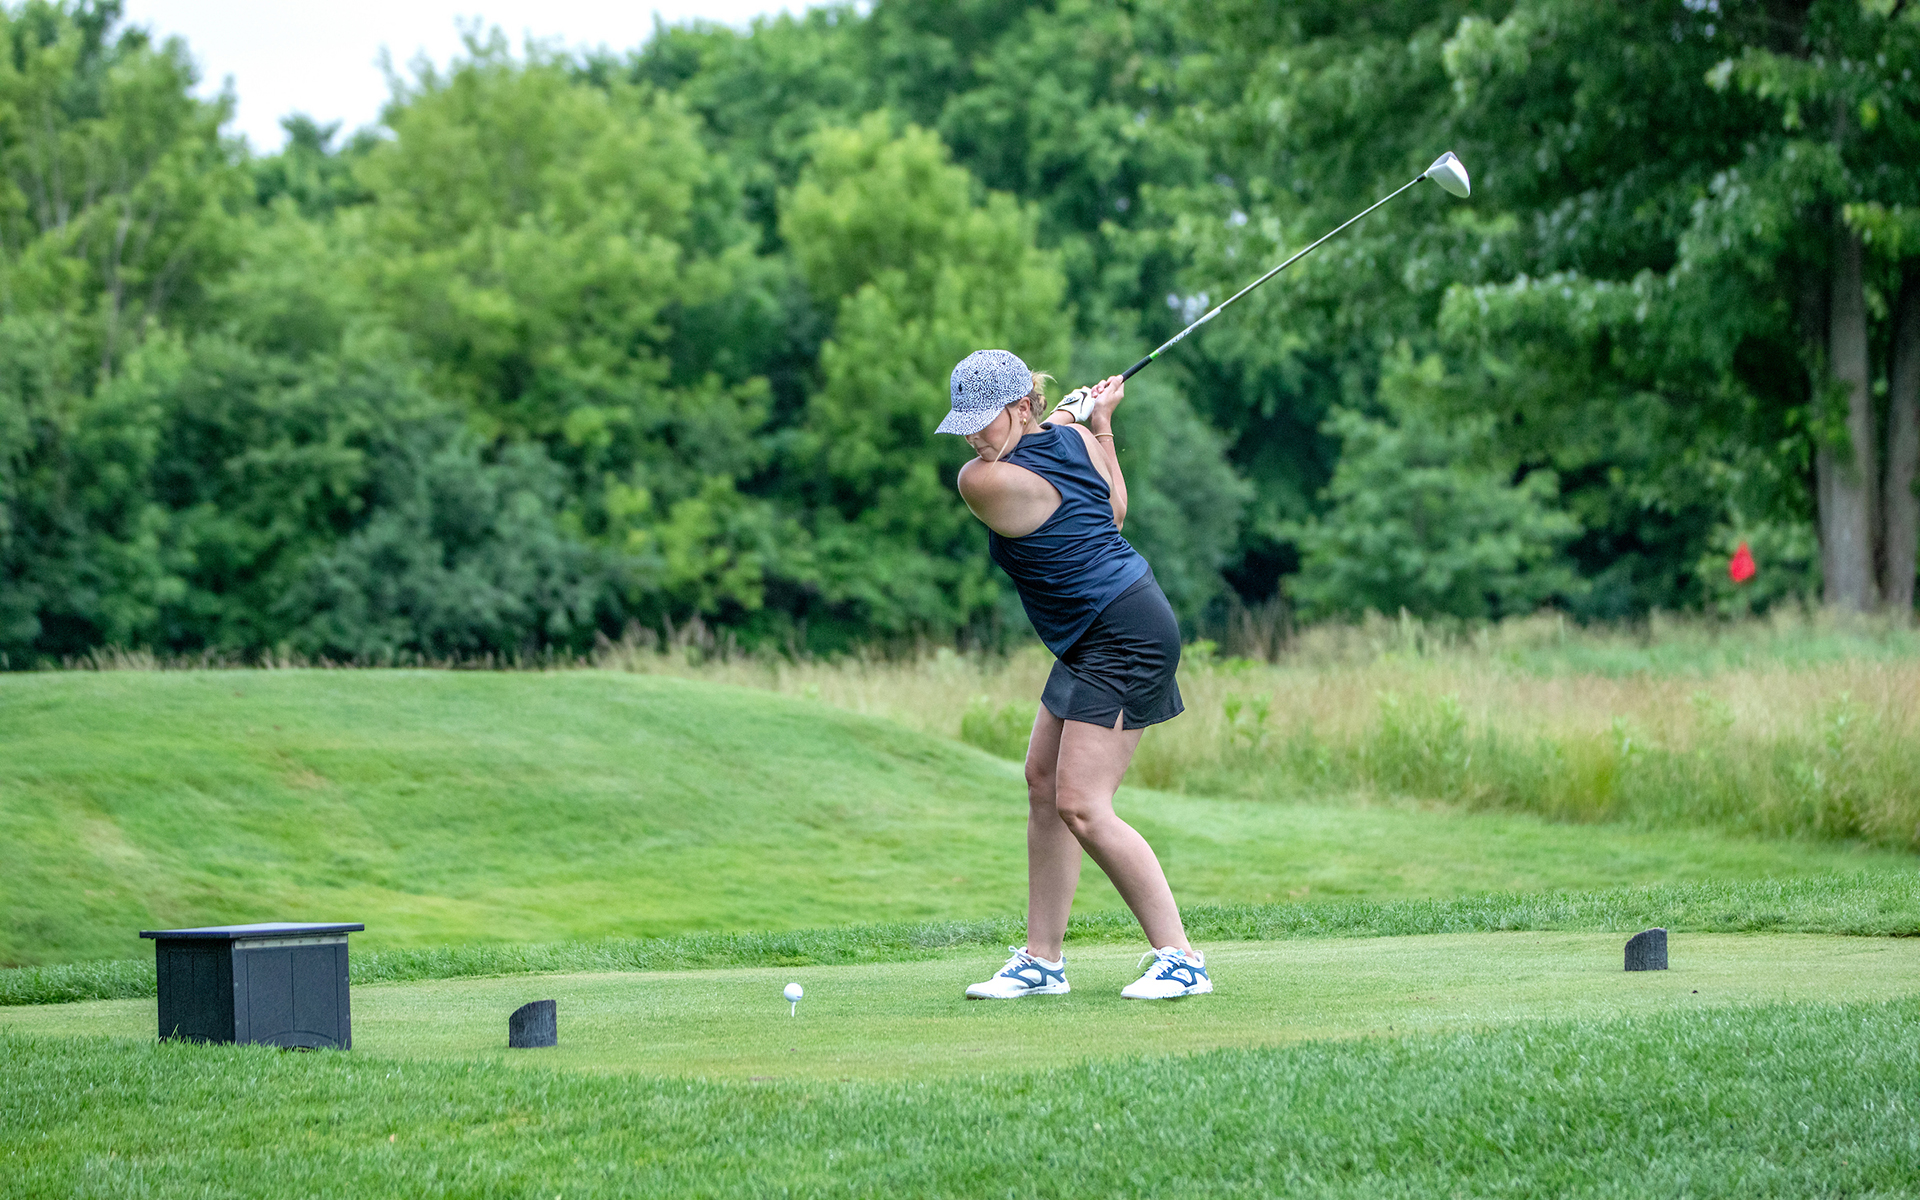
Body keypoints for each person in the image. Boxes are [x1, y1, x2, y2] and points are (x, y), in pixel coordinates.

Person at [937, 348, 1209, 1001]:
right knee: (1042, 783)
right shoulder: (1079, 440)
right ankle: (1043, 961)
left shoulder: (982, 481)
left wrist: (1071, 411)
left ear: (1020, 406)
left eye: (983, 420)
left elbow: (1091, 497)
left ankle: (1181, 960)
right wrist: (1099, 423)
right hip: (1096, 630)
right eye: (964, 424)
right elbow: (1114, 510)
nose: (972, 438)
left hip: (1123, 631)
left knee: (1082, 804)